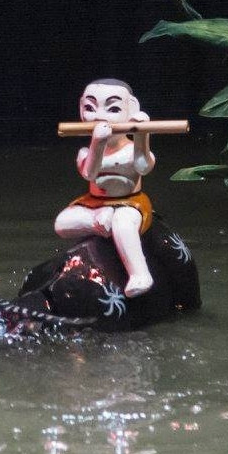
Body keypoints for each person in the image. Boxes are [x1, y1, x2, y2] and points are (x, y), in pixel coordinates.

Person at [54, 78, 155, 297]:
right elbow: (90, 173)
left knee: (122, 223)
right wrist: (97, 143)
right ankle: (98, 221)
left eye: (113, 108)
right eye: (90, 108)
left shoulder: (131, 149)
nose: (99, 116)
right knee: (62, 223)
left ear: (132, 110)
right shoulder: (85, 152)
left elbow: (143, 166)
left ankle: (140, 274)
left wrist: (142, 135)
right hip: (95, 204)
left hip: (130, 203)